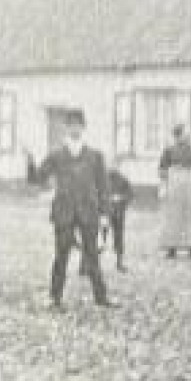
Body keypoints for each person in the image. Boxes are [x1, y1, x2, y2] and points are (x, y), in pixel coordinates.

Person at [25, 110, 114, 311]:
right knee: (61, 255)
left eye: (79, 125)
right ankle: (54, 297)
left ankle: (101, 297)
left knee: (92, 255)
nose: (75, 129)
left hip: (88, 211)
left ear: (84, 128)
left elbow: (103, 187)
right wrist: (29, 160)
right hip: (64, 212)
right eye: (71, 125)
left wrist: (105, 214)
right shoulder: (57, 155)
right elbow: (37, 179)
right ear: (66, 128)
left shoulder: (94, 156)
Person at [157, 126, 191, 259]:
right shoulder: (169, 150)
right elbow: (162, 168)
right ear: (177, 136)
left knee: (190, 215)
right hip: (174, 182)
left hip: (189, 182)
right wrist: (164, 184)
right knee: (173, 216)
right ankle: (171, 248)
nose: (186, 137)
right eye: (184, 134)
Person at [104, 160, 134, 273]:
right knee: (97, 238)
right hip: (103, 213)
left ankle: (119, 262)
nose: (112, 167)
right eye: (110, 164)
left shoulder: (123, 179)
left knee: (119, 238)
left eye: (115, 165)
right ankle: (87, 264)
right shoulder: (100, 178)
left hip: (118, 213)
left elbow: (130, 194)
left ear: (118, 166)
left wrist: (121, 198)